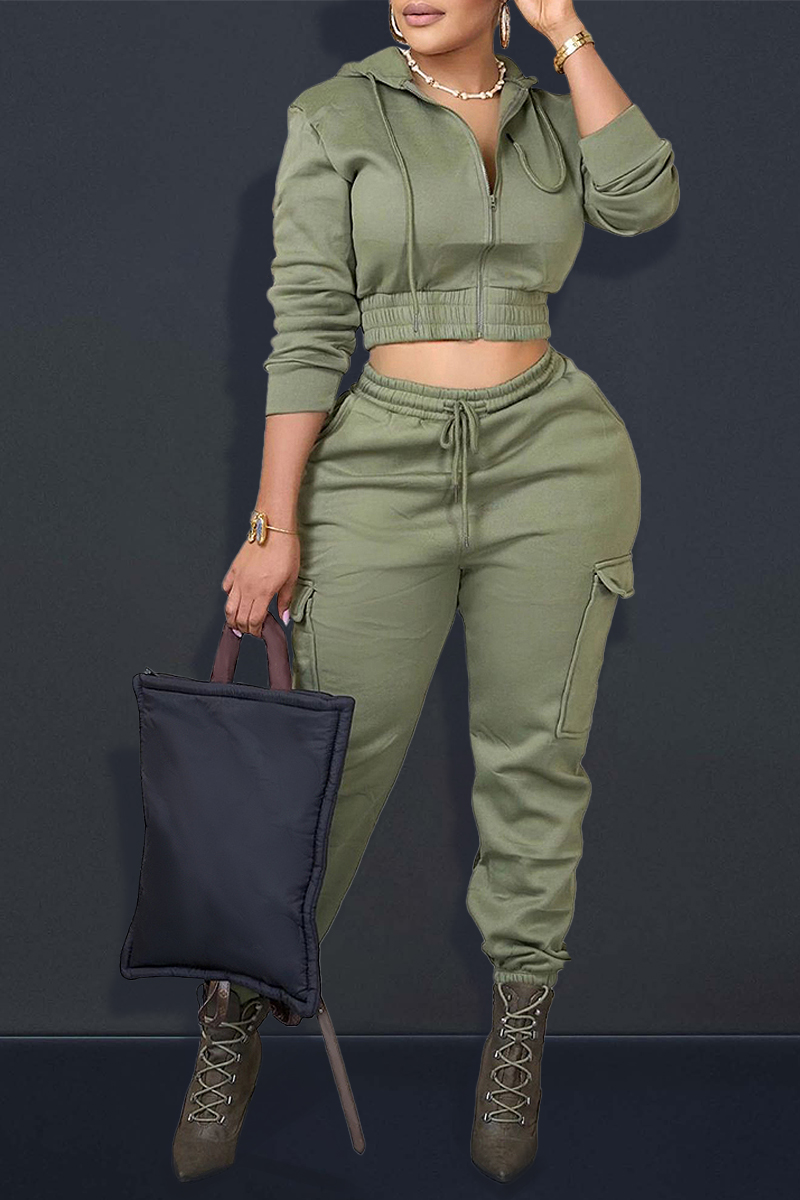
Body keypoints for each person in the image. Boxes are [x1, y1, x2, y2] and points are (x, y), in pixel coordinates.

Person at [173, 0, 679, 1185]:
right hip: (379, 461)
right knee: (318, 765)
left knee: (533, 759)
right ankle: (232, 1019)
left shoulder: (552, 117)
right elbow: (307, 325)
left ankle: (516, 1040)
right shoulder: (335, 115)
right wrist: (271, 523)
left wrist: (566, 33)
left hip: (553, 460)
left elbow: (640, 198)